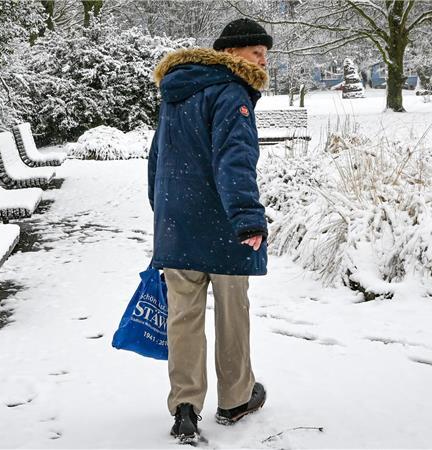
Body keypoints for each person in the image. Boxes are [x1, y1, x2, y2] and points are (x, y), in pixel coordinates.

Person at [148, 18, 271, 443]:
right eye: (256, 52)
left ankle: (185, 406)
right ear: (231, 53)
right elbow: (235, 159)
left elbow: (157, 159)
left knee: (183, 317)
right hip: (223, 226)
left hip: (177, 224)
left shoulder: (176, 91)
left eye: (265, 54)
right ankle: (236, 399)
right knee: (232, 314)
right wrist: (248, 217)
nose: (263, 60)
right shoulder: (231, 92)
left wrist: (163, 213)